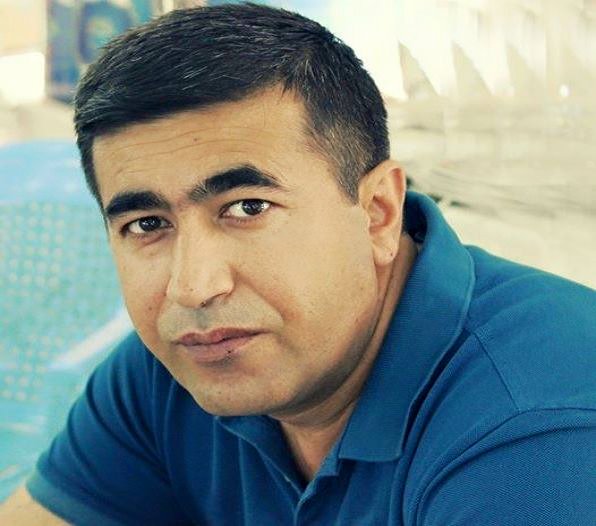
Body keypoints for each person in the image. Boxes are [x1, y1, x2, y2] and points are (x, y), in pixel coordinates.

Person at [1, 4, 595, 525]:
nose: (194, 287)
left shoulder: (535, 427)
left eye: (248, 207)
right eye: (147, 224)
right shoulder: (173, 374)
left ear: (378, 213)